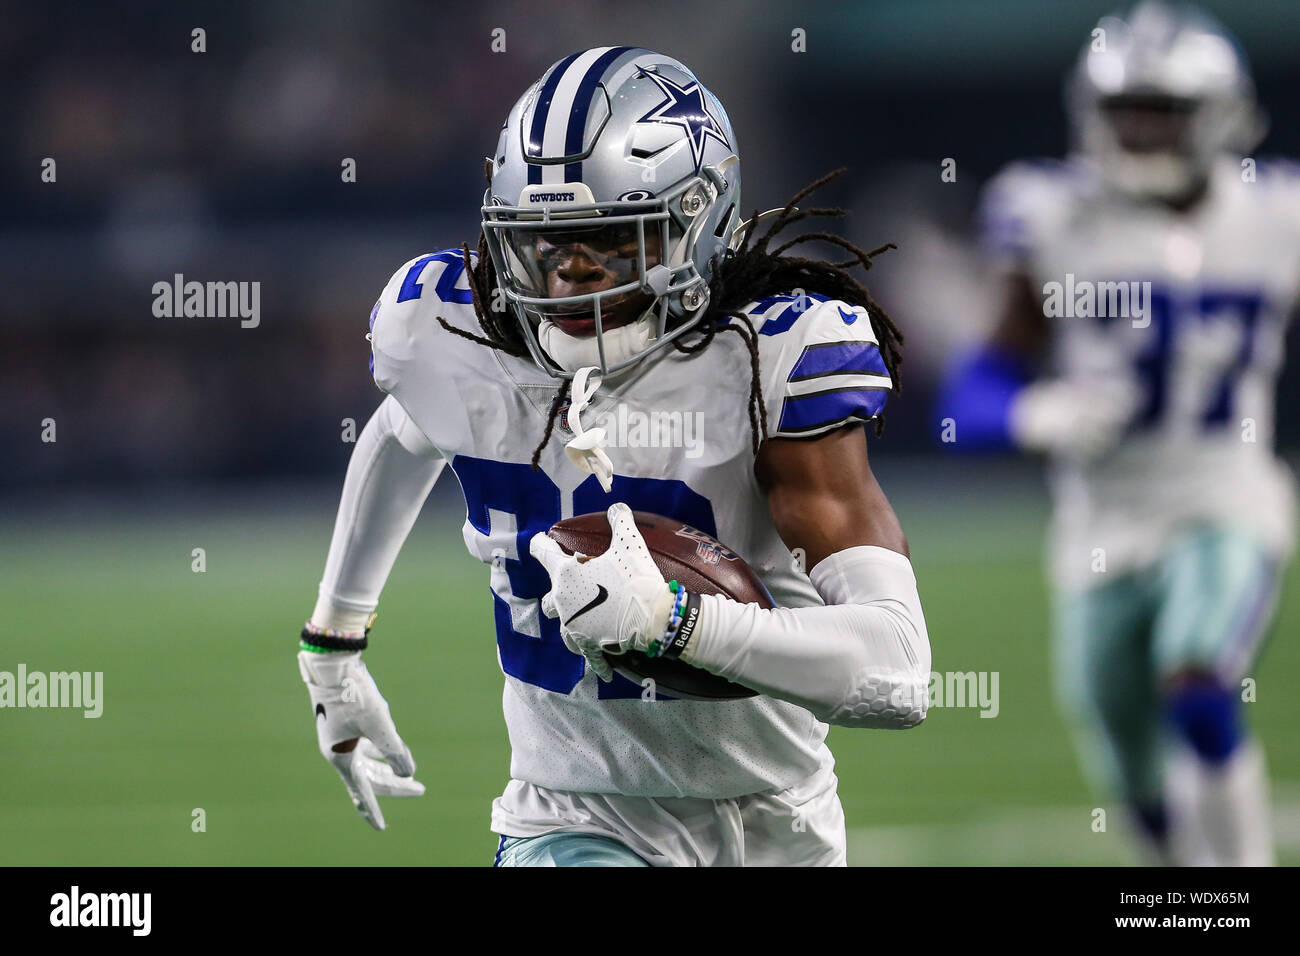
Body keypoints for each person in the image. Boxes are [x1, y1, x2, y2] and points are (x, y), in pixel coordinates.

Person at [299, 46, 931, 867]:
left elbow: (899, 675)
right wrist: (334, 646)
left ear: (698, 222)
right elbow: (398, 433)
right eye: (547, 246)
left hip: (781, 822)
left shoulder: (767, 358)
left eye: (610, 241)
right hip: (572, 817)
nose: (572, 279)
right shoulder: (457, 339)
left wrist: (676, 623)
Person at [939, 3, 1294, 864]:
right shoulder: (1051, 212)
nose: (1136, 130)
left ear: (1219, 117)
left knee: (1198, 680)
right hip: (1099, 523)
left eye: (1160, 111)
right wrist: (1037, 412)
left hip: (1224, 495)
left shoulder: (1277, 213)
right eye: (1122, 109)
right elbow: (970, 393)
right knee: (1127, 760)